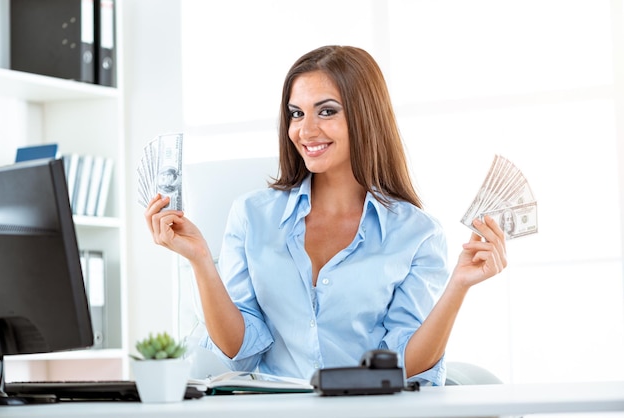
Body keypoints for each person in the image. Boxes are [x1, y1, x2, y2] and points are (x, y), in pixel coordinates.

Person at [145, 45, 507, 386]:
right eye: (296, 113)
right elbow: (240, 352)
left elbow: (405, 368)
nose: (305, 130)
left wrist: (458, 285)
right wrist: (201, 260)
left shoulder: (417, 233)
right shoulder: (251, 215)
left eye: (327, 111)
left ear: (365, 117)